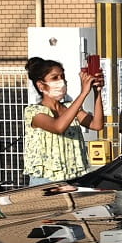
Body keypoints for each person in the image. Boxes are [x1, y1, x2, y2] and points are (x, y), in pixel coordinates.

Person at [22, 56, 104, 184]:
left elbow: (96, 124)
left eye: (62, 77)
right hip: (46, 179)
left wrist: (97, 92)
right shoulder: (34, 112)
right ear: (41, 85)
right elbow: (58, 126)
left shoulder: (69, 107)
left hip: (74, 176)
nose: (61, 81)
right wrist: (83, 93)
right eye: (55, 78)